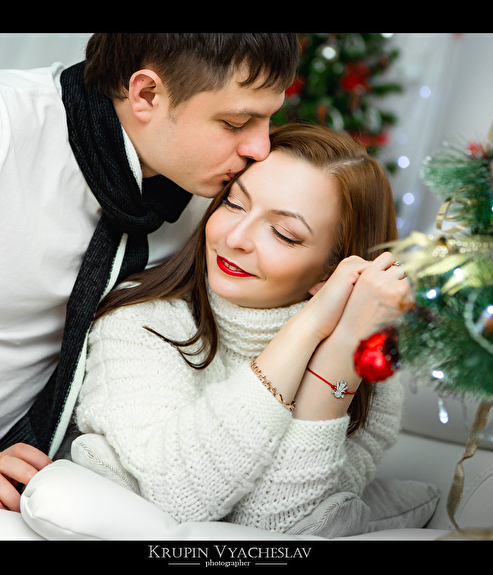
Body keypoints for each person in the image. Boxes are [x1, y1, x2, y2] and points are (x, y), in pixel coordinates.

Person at [0, 33, 300, 540]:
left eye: (269, 119)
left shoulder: (210, 199)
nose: (260, 147)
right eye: (235, 123)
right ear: (146, 94)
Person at [74, 123, 408, 532]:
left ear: (332, 271)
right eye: (234, 204)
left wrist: (342, 350)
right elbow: (180, 493)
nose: (236, 238)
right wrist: (308, 326)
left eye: (284, 234)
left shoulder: (370, 369)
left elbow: (271, 528)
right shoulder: (142, 320)